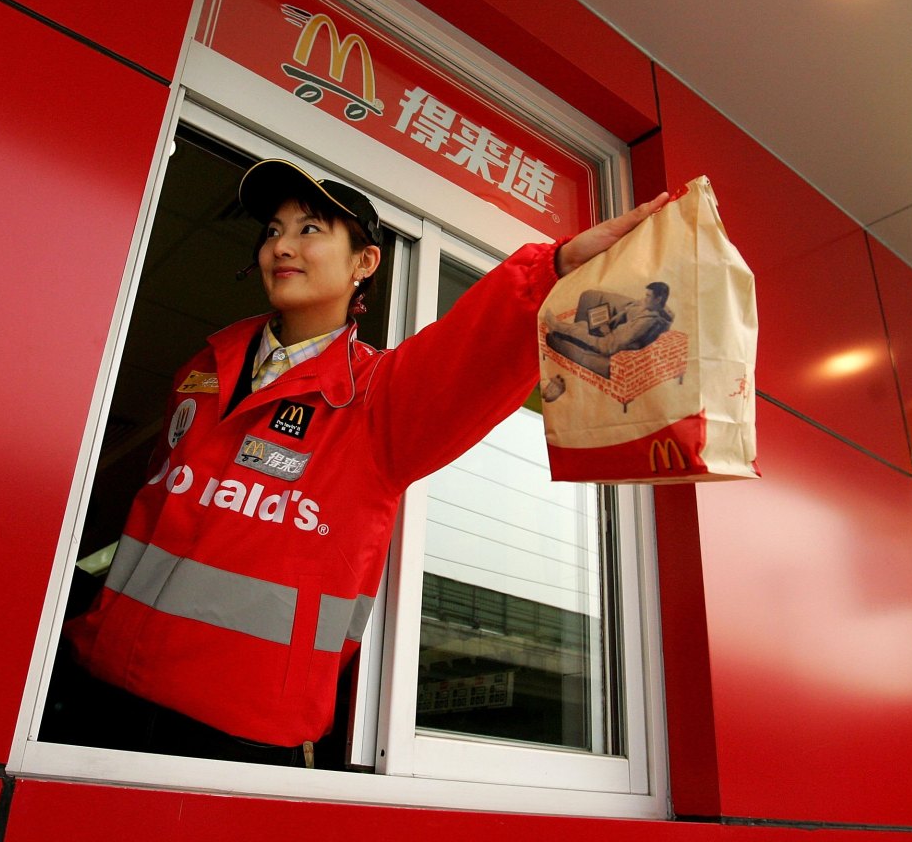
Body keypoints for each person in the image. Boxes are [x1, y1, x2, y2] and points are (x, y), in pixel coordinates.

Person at [55, 158, 668, 766]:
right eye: (272, 231)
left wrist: (555, 270)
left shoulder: (378, 399)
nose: (281, 246)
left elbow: (474, 347)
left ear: (364, 263)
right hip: (95, 691)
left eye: (309, 229)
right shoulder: (202, 369)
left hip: (235, 739)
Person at [543, 283, 673, 378]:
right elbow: (628, 317)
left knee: (579, 331)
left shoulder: (648, 322)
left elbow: (616, 344)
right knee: (583, 324)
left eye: (648, 296)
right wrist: (608, 325)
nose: (645, 299)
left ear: (658, 299)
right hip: (611, 334)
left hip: (607, 344)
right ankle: (559, 330)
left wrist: (606, 333)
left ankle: (555, 326)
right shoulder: (651, 309)